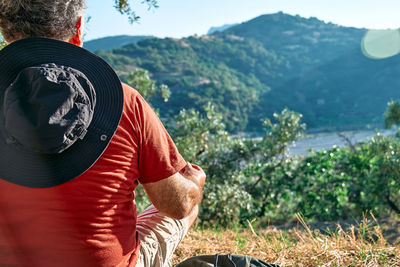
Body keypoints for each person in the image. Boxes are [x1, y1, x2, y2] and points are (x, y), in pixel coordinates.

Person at [0, 0, 206, 266]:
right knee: (187, 199)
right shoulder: (125, 103)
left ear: (5, 32)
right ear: (77, 29)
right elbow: (176, 207)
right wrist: (194, 184)